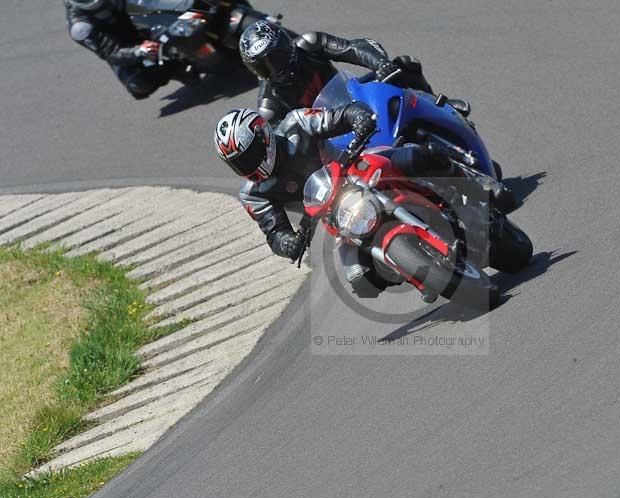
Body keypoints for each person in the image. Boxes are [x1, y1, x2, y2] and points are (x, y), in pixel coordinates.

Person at [213, 104, 459, 295]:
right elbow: (274, 232)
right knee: (361, 280)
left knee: (421, 156)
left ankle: (472, 186)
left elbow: (339, 116)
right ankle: (418, 270)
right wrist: (289, 244)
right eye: (239, 163)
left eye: (249, 156)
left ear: (262, 136)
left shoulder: (296, 123)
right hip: (335, 216)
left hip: (357, 170)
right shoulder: (253, 193)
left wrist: (358, 118)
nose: (248, 165)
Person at [238, 20, 471, 123]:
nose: (275, 67)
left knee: (406, 65)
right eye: (265, 65)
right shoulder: (270, 105)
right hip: (332, 138)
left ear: (285, 44)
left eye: (276, 56)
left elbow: (354, 47)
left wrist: (380, 64)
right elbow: (286, 144)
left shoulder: (309, 44)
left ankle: (445, 109)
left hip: (357, 96)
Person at [64, 0, 192, 99]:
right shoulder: (81, 28)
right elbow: (112, 53)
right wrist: (139, 51)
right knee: (138, 84)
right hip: (124, 42)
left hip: (142, 14)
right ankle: (177, 67)